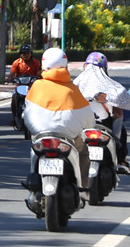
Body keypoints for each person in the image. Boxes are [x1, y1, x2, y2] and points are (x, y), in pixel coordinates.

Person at [23, 47, 94, 185]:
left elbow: (27, 111)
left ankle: (33, 181)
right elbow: (88, 119)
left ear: (43, 65)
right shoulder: (73, 89)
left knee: (34, 150)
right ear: (65, 64)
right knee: (84, 153)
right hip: (69, 138)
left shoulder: (37, 86)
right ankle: (84, 190)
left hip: (41, 135)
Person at [74, 51, 130, 175]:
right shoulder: (112, 87)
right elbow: (122, 107)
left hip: (81, 126)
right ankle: (122, 161)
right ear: (104, 68)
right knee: (121, 129)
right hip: (104, 125)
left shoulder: (75, 85)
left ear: (85, 66)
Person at [9, 44, 39, 127]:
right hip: (20, 87)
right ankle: (15, 117)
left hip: (33, 87)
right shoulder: (16, 63)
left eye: (27, 53)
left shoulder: (36, 62)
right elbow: (12, 74)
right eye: (24, 53)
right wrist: (9, 79)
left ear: (31, 53)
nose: (26, 55)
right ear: (20, 54)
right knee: (14, 98)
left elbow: (40, 72)